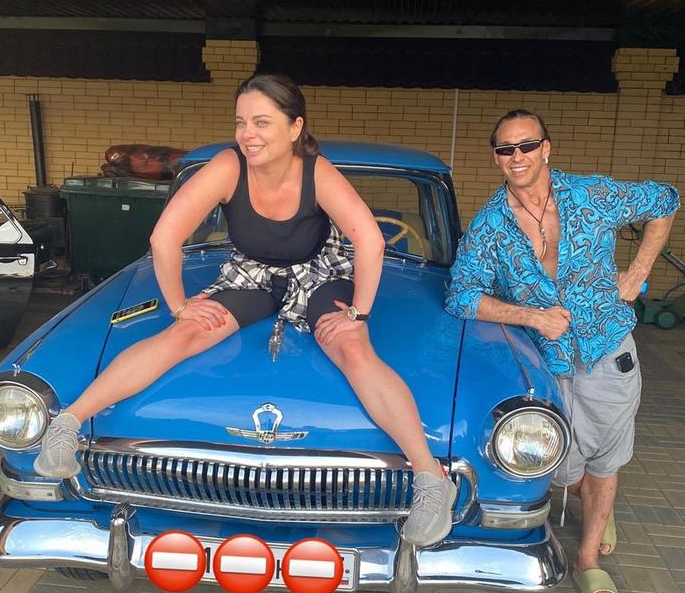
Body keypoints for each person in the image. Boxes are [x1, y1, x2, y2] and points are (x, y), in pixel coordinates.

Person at [34, 73, 456, 548]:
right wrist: (180, 306)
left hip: (320, 272)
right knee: (183, 335)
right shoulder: (227, 166)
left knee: (353, 348)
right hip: (251, 272)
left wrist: (358, 313)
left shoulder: (316, 171)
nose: (248, 134)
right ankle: (67, 424)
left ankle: (430, 479)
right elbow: (164, 237)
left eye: (262, 122)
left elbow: (370, 240)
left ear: (295, 127)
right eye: (241, 122)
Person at [445, 108, 679, 593]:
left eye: (526, 145)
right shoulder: (490, 227)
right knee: (557, 462)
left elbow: (665, 199)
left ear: (545, 148)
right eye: (506, 149)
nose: (517, 156)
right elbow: (461, 296)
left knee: (606, 460)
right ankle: (591, 497)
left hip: (607, 349)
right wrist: (529, 315)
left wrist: (638, 272)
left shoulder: (591, 195)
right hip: (544, 361)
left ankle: (588, 558)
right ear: (496, 158)